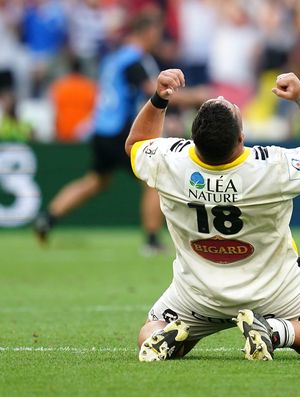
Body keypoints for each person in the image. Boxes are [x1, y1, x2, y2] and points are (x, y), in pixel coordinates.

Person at [127, 69, 300, 361]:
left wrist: (158, 100)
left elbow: (135, 144)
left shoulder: (171, 161)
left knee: (151, 329)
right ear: (241, 138)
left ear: (194, 139)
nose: (219, 96)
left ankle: (166, 334)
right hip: (276, 289)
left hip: (198, 293)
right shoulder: (273, 168)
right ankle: (275, 331)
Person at [33, 12, 202, 252]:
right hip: (121, 132)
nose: (158, 38)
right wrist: (195, 97)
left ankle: (47, 218)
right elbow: (155, 92)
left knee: (94, 182)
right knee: (152, 181)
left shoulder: (114, 58)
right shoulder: (134, 60)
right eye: (156, 32)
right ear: (147, 32)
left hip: (101, 129)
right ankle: (152, 241)